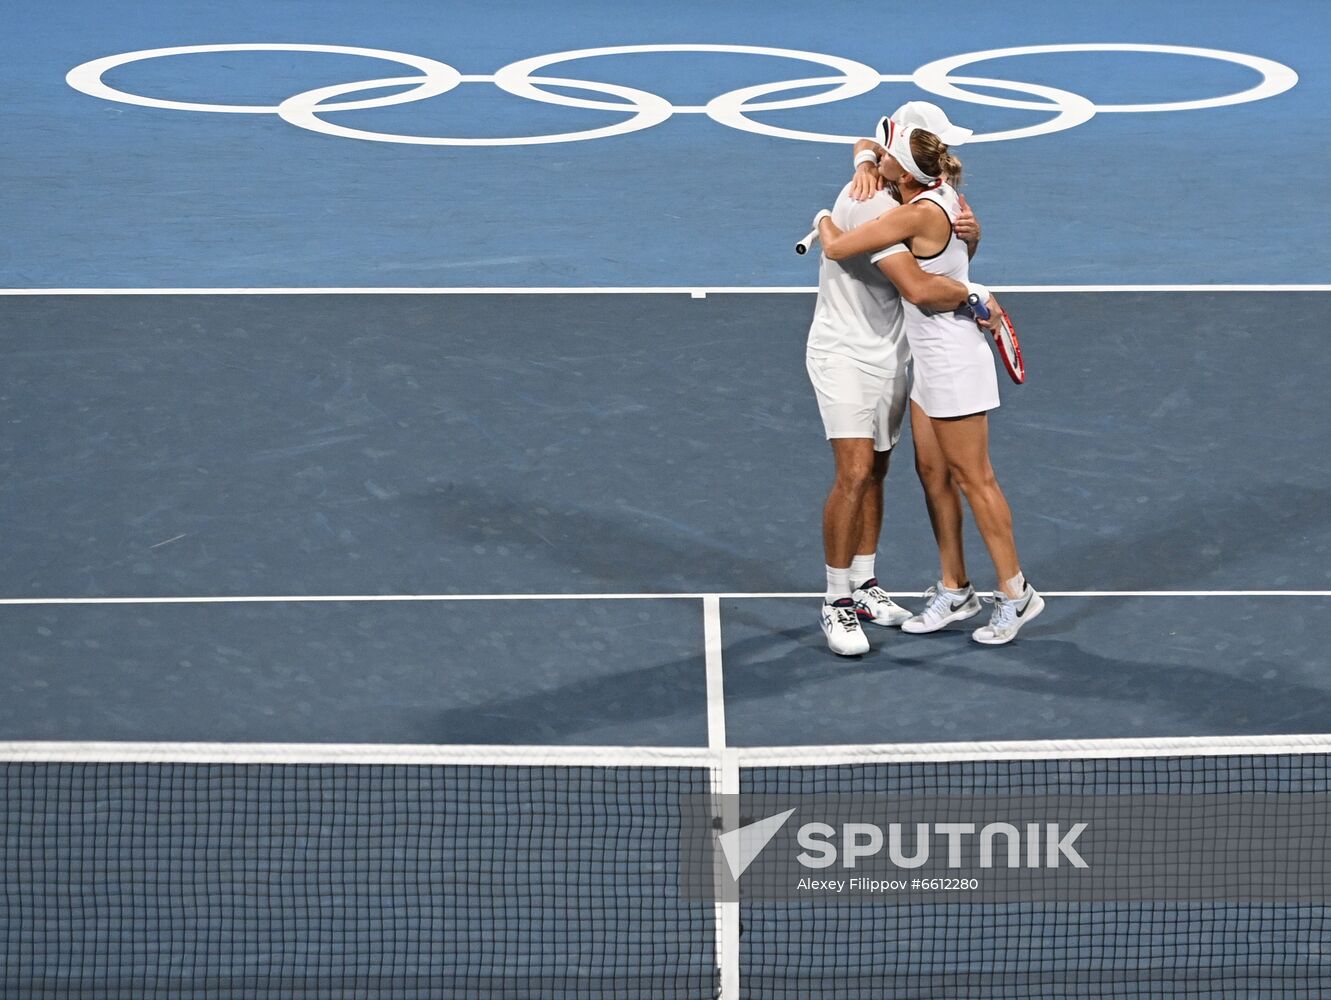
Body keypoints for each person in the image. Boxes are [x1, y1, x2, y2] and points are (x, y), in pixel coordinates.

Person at [816, 117, 1044, 646]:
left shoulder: (915, 214)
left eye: (889, 155)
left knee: (974, 479)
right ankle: (954, 586)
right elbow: (867, 141)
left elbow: (836, 247)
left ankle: (1016, 594)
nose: (881, 157)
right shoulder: (937, 197)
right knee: (933, 476)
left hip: (955, 361)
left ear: (906, 168)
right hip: (925, 360)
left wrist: (824, 216)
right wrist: (866, 160)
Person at [805, 103, 985, 656]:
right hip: (842, 351)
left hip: (894, 349)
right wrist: (979, 298)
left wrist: (969, 238)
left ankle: (864, 584)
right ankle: (835, 601)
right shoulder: (871, 205)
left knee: (878, 469)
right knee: (854, 471)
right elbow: (921, 286)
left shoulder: (912, 192)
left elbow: (949, 255)